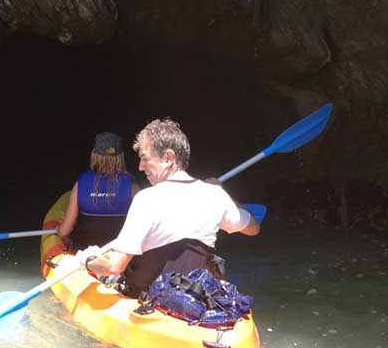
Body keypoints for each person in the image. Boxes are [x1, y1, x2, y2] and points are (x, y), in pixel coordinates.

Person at [76, 117, 260, 298]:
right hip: (194, 298)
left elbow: (114, 266)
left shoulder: (147, 199)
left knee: (100, 265)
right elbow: (253, 228)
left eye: (145, 159)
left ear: (168, 157)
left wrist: (88, 260)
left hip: (146, 298)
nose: (140, 167)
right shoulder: (215, 196)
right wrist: (222, 191)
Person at [57, 132, 140, 252]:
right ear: (121, 156)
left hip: (84, 253)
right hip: (117, 255)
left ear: (94, 155)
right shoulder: (133, 187)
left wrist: (58, 230)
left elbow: (64, 232)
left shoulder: (81, 184)